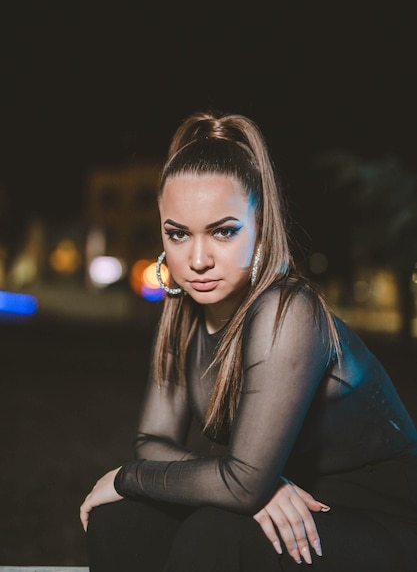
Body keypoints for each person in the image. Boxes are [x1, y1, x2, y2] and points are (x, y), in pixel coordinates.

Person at [80, 110, 417, 571]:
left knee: (217, 531)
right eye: (178, 234)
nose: (197, 259)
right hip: (291, 503)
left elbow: (238, 485)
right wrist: (251, 485)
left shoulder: (289, 311)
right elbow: (153, 439)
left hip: (382, 522)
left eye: (223, 231)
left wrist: (129, 477)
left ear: (260, 228)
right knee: (121, 521)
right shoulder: (183, 313)